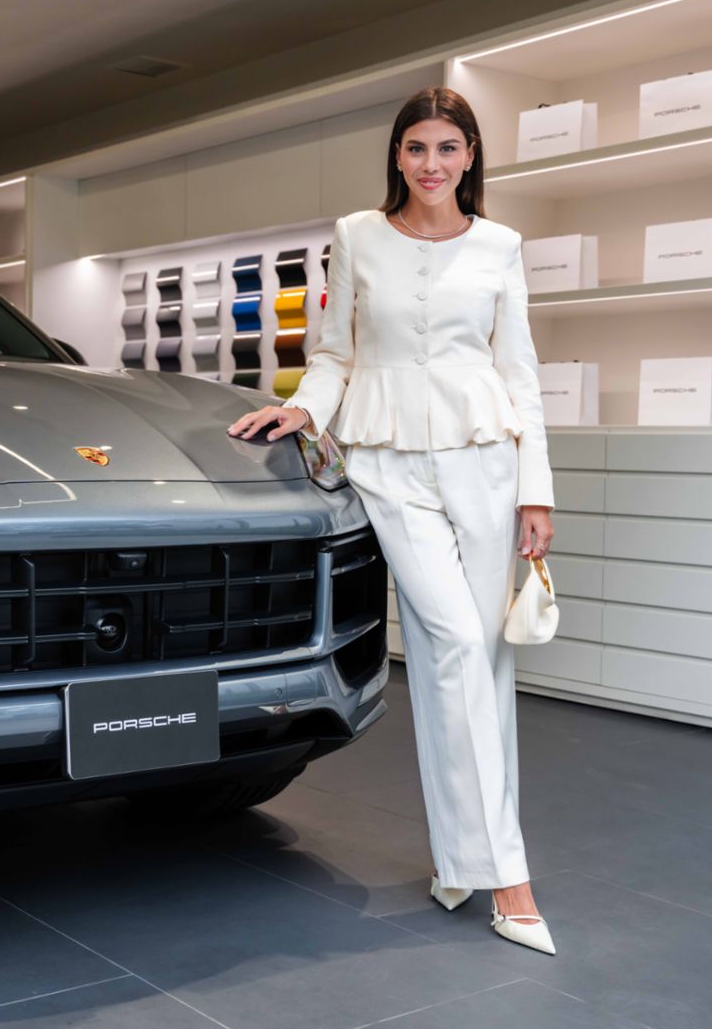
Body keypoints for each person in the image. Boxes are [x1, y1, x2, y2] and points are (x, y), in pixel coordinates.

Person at [229, 87, 557, 955]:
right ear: (397, 156)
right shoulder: (356, 234)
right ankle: (508, 874)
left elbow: (518, 373)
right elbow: (333, 350)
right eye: (416, 148)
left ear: (471, 156)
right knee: (450, 638)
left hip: (485, 456)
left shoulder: (500, 246)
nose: (431, 164)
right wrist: (302, 410)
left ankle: (459, 859)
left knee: (482, 661)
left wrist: (537, 489)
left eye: (448, 147)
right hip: (384, 458)